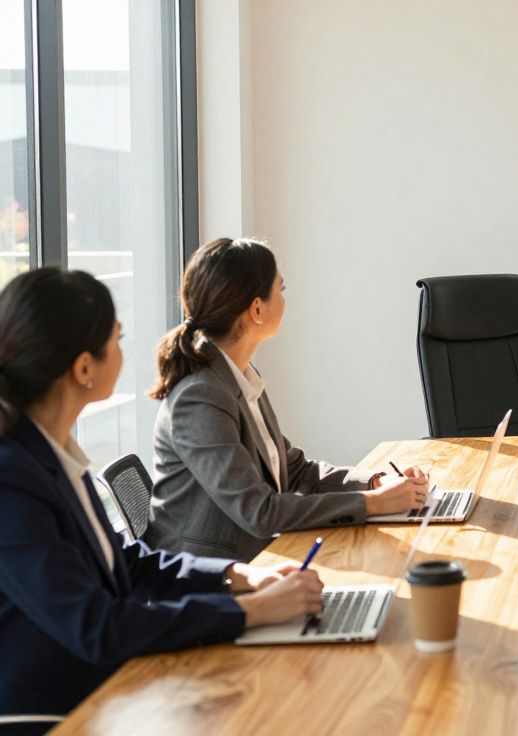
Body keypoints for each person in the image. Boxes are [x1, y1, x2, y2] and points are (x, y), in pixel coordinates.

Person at [0, 268, 328, 722]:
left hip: (107, 688)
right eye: (118, 338)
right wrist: (248, 611)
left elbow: (129, 562)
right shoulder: (12, 480)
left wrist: (236, 577)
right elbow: (99, 627)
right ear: (83, 367)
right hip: (57, 715)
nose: (125, 349)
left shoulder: (53, 454)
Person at [144, 238, 427, 563]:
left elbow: (296, 470)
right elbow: (259, 511)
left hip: (259, 560)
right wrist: (373, 503)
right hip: (211, 581)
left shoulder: (239, 374)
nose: (285, 299)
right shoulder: (200, 396)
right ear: (257, 309)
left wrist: (375, 482)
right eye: (281, 289)